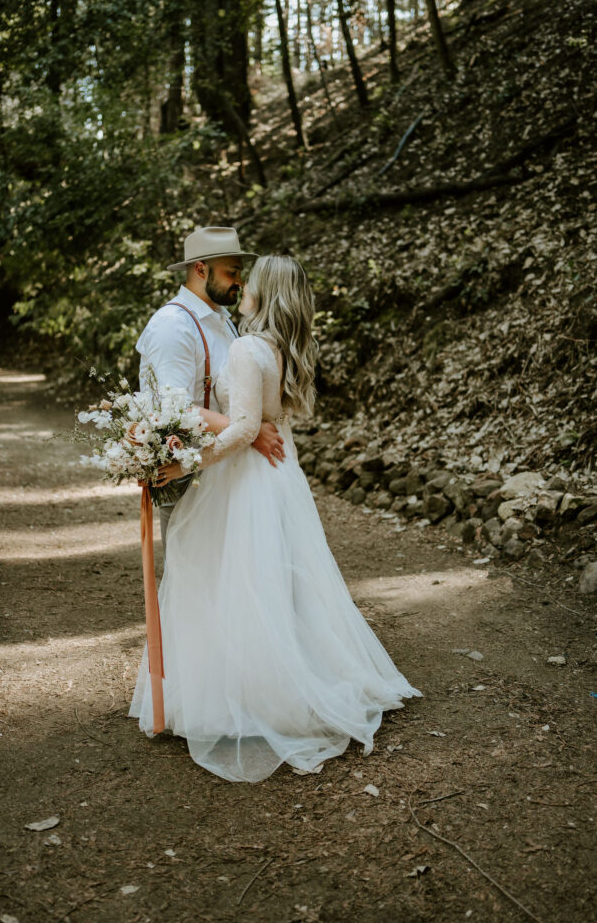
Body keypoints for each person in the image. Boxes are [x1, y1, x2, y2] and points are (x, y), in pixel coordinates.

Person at [129, 255, 421, 782]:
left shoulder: (245, 347)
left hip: (243, 479)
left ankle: (249, 698)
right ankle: (266, 683)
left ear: (262, 293)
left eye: (249, 280)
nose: (241, 284)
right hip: (278, 477)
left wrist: (185, 463)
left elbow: (243, 430)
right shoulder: (279, 347)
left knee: (235, 582)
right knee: (272, 584)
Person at [135, 225, 284, 548]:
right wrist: (251, 430)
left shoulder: (223, 320)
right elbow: (173, 409)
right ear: (201, 269)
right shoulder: (173, 326)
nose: (240, 282)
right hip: (188, 476)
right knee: (191, 577)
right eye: (232, 272)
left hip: (227, 469)